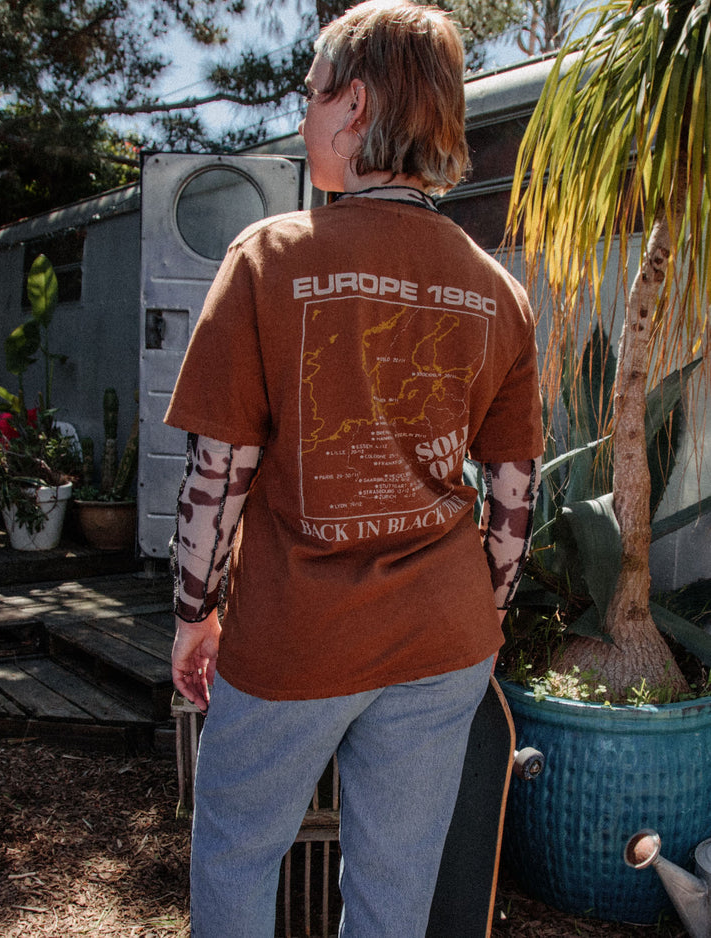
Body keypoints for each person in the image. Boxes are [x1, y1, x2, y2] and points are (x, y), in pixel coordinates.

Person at [165, 2, 544, 935]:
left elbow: (221, 468)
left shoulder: (268, 257)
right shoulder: (499, 291)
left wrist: (193, 613)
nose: (302, 117)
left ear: (356, 104)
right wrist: (485, 616)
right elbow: (514, 491)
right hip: (442, 641)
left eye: (312, 95)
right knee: (394, 894)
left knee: (236, 854)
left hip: (297, 635)